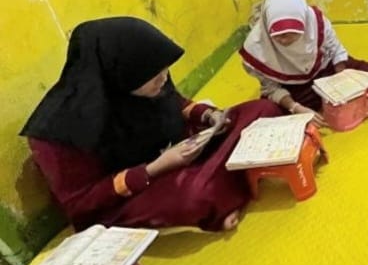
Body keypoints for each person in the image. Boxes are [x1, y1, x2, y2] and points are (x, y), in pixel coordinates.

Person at [21, 17, 284, 232]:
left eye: (165, 70)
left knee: (262, 110)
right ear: (120, 75)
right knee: (195, 197)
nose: (164, 79)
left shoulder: (145, 75)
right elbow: (80, 203)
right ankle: (234, 179)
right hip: (133, 193)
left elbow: (176, 103)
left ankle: (227, 187)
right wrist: (155, 168)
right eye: (155, 76)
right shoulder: (58, 131)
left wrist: (208, 116)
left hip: (180, 151)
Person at [240, 0, 368, 126]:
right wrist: (296, 108)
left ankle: (323, 99)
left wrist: (341, 80)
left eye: (292, 34)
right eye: (278, 36)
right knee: (272, 112)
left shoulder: (315, 22)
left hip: (326, 67)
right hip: (294, 87)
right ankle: (317, 102)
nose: (284, 40)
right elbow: (271, 88)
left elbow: (335, 49)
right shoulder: (255, 48)